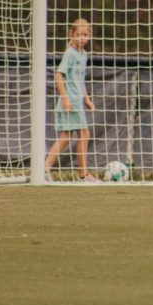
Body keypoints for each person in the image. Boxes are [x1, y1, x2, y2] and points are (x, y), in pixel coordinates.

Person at [45, 18, 99, 183]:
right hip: (70, 102)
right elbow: (58, 75)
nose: (82, 38)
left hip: (77, 101)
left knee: (66, 137)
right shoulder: (70, 53)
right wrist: (65, 98)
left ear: (89, 36)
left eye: (85, 34)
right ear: (72, 34)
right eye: (78, 34)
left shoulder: (84, 55)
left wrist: (87, 99)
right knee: (84, 134)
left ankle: (45, 167)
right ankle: (83, 175)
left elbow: (80, 80)